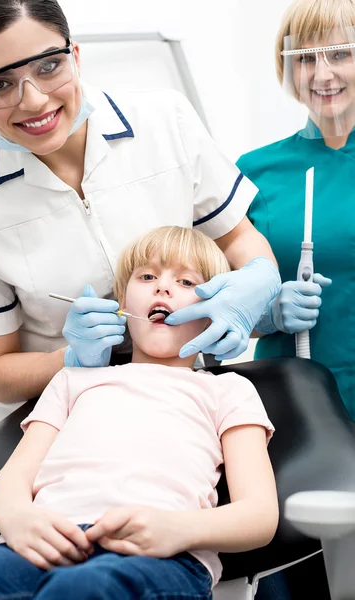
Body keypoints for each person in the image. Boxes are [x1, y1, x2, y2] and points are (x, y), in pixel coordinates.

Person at [0, 0, 284, 557]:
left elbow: (242, 242)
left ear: (75, 55)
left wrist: (259, 280)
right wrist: (71, 358)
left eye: (47, 67)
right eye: (0, 84)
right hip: (19, 435)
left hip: (160, 419)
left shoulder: (165, 122)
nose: (32, 100)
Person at [0, 225, 278, 600]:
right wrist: (17, 519)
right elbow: (11, 480)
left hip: (163, 556)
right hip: (44, 544)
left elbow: (259, 515)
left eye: (188, 282)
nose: (162, 287)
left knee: (83, 589)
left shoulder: (228, 391)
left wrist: (178, 529)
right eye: (147, 276)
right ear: (123, 303)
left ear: (216, 310)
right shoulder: (73, 381)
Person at [237, 0, 355, 597]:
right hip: (297, 413)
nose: (322, 73)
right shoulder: (254, 174)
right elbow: (223, 304)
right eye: (304, 57)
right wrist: (267, 309)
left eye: (340, 53)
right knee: (302, 575)